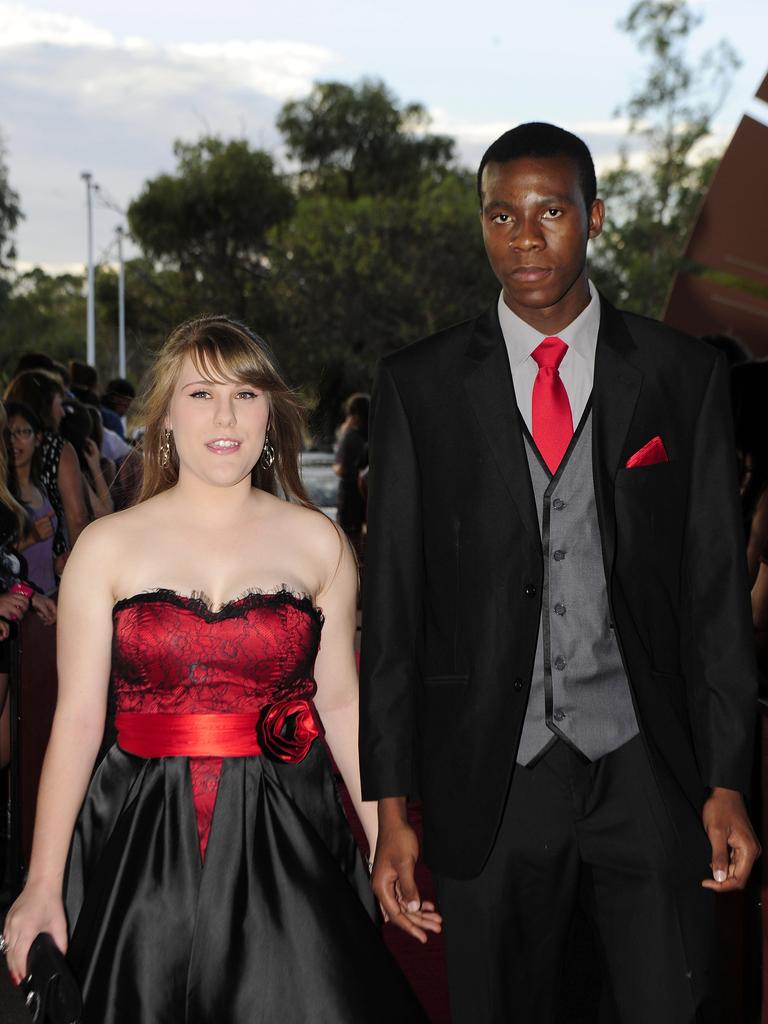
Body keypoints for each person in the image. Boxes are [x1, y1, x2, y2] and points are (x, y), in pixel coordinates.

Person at [360, 122, 760, 1023]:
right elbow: (392, 612)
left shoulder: (678, 375)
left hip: (647, 766)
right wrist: (391, 808)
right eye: (501, 215)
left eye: (550, 212)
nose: (525, 237)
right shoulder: (418, 385)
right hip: (489, 775)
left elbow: (713, 600)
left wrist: (728, 779)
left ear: (595, 217)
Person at [2, 316, 435, 1022]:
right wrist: (42, 882)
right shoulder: (106, 548)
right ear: (166, 415)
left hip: (289, 830)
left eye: (246, 393)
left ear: (272, 412)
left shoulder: (317, 541)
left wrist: (387, 834)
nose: (225, 415)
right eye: (201, 394)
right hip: (141, 838)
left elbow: (344, 705)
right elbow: (78, 723)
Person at [4, 371, 89, 573]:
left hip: (41, 577)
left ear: (37, 438)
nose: (62, 411)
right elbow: (77, 518)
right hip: (32, 584)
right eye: (59, 402)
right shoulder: (58, 448)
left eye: (23, 432)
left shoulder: (36, 484)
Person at [334, 393, 369, 556]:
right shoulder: (371, 436)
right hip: (367, 500)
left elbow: (340, 468)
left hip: (350, 498)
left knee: (350, 548)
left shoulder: (350, 437)